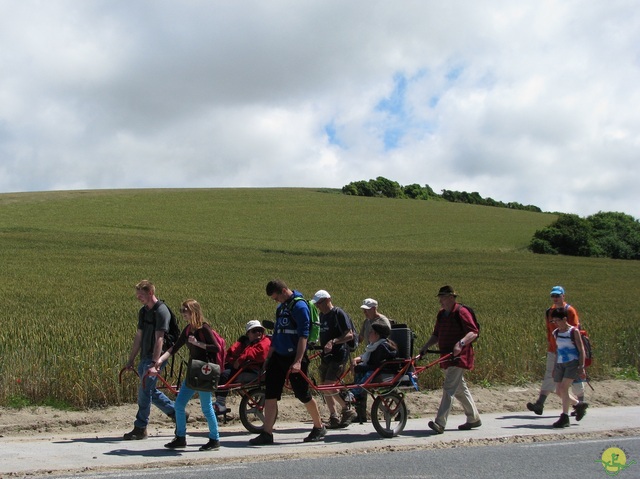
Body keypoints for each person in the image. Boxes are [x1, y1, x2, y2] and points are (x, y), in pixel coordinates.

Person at [249, 280, 326, 445]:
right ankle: (267, 433)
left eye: (276, 297)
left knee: (302, 394)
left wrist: (298, 361)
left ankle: (319, 426)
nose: (276, 301)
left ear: (284, 291)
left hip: (294, 357)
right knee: (271, 393)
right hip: (278, 356)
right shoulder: (281, 308)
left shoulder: (300, 307)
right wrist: (268, 358)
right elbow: (276, 335)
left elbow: (303, 336)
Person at [150, 299, 222, 451]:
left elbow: (216, 348)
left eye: (185, 310)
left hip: (204, 371)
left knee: (206, 407)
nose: (182, 313)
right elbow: (174, 348)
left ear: (193, 311)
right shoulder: (188, 329)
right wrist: (159, 360)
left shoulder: (204, 328)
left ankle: (214, 439)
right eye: (182, 310)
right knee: (179, 404)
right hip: (193, 371)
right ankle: (180, 437)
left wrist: (198, 344)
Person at [419, 285, 481, 434]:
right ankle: (473, 418)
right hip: (446, 356)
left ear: (452, 298)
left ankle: (440, 422)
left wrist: (460, 343)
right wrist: (426, 345)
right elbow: (436, 334)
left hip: (459, 356)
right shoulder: (442, 315)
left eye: (443, 297)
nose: (440, 300)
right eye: (440, 297)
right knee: (459, 389)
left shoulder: (461, 312)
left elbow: (473, 332)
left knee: (449, 388)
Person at [122, 280, 176, 440]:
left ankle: (140, 427)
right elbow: (139, 336)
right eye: (137, 295)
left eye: (141, 295)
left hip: (156, 357)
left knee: (144, 391)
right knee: (149, 390)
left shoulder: (161, 311)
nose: (139, 298)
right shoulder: (143, 312)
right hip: (145, 355)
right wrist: (131, 359)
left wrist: (155, 363)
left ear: (151, 293)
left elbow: (160, 338)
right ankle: (176, 413)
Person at [526, 286, 585, 415]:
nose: (555, 298)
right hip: (554, 350)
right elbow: (549, 330)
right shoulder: (549, 311)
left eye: (557, 296)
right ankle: (540, 403)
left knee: (574, 378)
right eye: (553, 296)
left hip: (570, 352)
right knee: (550, 375)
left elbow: (575, 330)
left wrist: (578, 356)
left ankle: (580, 403)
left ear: (563, 296)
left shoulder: (570, 311)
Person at [311, 289, 358, 429]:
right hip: (326, 356)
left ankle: (347, 409)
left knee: (329, 385)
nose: (318, 306)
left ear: (327, 300)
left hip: (339, 355)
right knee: (324, 386)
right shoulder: (322, 316)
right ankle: (334, 416)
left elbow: (349, 335)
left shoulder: (338, 313)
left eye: (319, 303)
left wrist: (334, 341)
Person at [213, 320, 271, 414]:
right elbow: (231, 353)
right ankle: (219, 402)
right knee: (218, 372)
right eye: (254, 331)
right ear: (248, 333)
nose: (258, 333)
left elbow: (259, 354)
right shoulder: (244, 342)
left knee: (224, 376)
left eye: (260, 330)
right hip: (244, 368)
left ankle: (220, 403)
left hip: (256, 371)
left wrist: (240, 360)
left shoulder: (264, 342)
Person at [352, 318, 399, 422]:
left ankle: (355, 392)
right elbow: (367, 360)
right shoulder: (374, 346)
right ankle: (357, 399)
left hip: (381, 371)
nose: (368, 334)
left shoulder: (381, 347)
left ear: (377, 335)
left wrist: (360, 367)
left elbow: (375, 366)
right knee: (360, 371)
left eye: (371, 332)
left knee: (366, 372)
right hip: (376, 369)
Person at [549, 308, 589, 427]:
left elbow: (581, 349)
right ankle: (579, 404)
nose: (556, 323)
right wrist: (555, 367)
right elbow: (557, 350)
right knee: (558, 391)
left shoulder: (573, 331)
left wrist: (581, 367)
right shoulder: (556, 333)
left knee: (563, 388)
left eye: (558, 320)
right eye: (554, 321)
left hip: (572, 363)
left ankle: (565, 417)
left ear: (565, 319)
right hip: (561, 363)